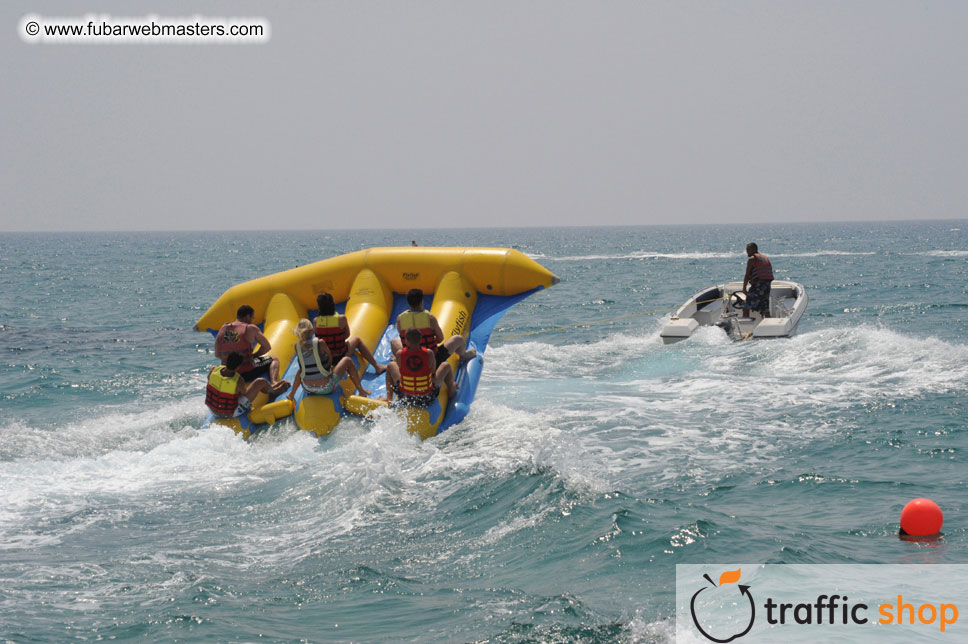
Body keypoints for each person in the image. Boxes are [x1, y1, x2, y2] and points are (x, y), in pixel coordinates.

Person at [288, 319, 370, 401]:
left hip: (308, 388)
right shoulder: (320, 343)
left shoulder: (297, 347)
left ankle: (291, 394)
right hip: (326, 388)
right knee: (347, 360)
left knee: (300, 370)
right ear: (312, 330)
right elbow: (330, 357)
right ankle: (361, 391)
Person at [389, 288, 477, 365]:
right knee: (458, 339)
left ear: (408, 302)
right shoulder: (430, 318)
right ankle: (463, 355)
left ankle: (399, 360)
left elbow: (403, 337)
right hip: (432, 359)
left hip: (411, 357)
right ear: (422, 301)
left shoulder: (400, 318)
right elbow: (440, 339)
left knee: (394, 341)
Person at [214, 304, 288, 388]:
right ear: (248, 316)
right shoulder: (250, 328)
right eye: (253, 318)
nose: (253, 320)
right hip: (245, 373)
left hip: (228, 372)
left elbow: (217, 354)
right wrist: (253, 356)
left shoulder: (223, 328)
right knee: (274, 359)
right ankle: (274, 382)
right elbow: (267, 347)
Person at [313, 293, 387, 375]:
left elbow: (318, 340)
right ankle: (377, 367)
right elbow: (347, 335)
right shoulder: (341, 319)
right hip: (340, 355)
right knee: (357, 340)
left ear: (319, 307)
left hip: (326, 358)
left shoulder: (316, 321)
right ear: (332, 304)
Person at [384, 328, 457, 407]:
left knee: (391, 366)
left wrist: (396, 360)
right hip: (426, 398)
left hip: (405, 396)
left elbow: (401, 368)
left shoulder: (399, 354)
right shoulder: (429, 353)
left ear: (406, 341)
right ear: (420, 340)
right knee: (446, 365)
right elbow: (432, 372)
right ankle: (451, 391)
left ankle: (389, 399)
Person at [205, 352, 286, 418]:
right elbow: (244, 393)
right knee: (260, 382)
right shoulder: (238, 381)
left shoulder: (213, 370)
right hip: (231, 413)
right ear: (238, 367)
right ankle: (273, 391)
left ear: (226, 361)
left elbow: (210, 381)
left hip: (212, 410)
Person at [742, 242, 774, 318]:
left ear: (754, 249)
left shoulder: (752, 259)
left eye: (748, 250)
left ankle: (745, 327)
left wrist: (744, 288)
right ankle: (769, 325)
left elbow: (747, 275)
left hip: (758, 286)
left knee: (746, 307)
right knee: (765, 308)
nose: (747, 252)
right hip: (767, 287)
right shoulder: (765, 258)